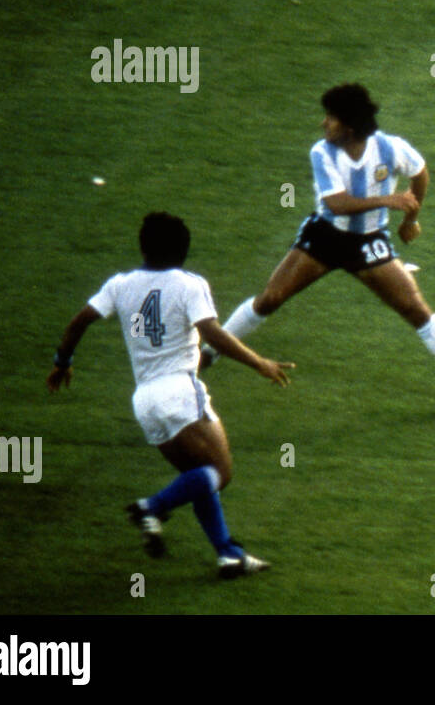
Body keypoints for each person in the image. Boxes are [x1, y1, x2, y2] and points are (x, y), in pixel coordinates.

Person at [202, 83, 435, 399]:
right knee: (271, 299)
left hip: (368, 240)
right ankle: (211, 351)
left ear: (350, 126)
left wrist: (411, 218)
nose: (323, 124)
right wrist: (389, 201)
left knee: (414, 308)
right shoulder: (322, 152)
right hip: (324, 237)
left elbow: (420, 173)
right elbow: (338, 204)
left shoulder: (390, 148)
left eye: (330, 118)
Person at [47, 212, 294, 579]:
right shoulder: (189, 284)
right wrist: (258, 362)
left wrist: (63, 362)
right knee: (219, 474)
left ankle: (228, 554)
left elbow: (79, 320)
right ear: (184, 249)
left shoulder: (120, 284)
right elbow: (211, 333)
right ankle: (153, 507)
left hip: (144, 400)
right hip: (180, 391)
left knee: (198, 477)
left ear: (143, 247)